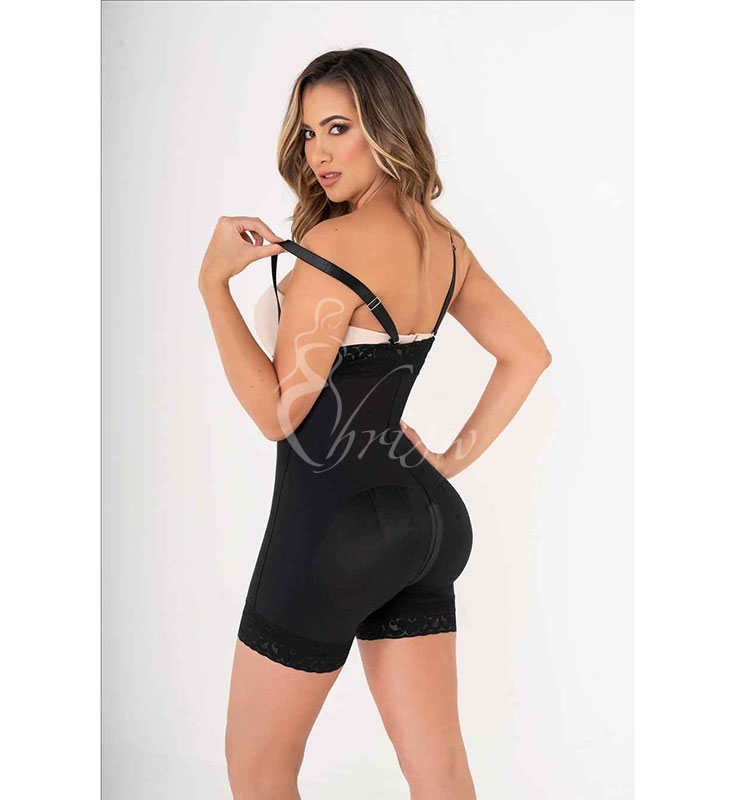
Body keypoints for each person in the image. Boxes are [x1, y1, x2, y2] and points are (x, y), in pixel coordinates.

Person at [198, 47, 552, 800]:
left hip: (335, 526)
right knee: (440, 771)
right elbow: (527, 355)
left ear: (385, 128)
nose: (318, 153)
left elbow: (277, 414)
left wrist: (212, 286)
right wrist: (446, 463)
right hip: (427, 523)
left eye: (338, 128)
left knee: (257, 769)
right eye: (308, 134)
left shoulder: (334, 245)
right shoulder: (444, 243)